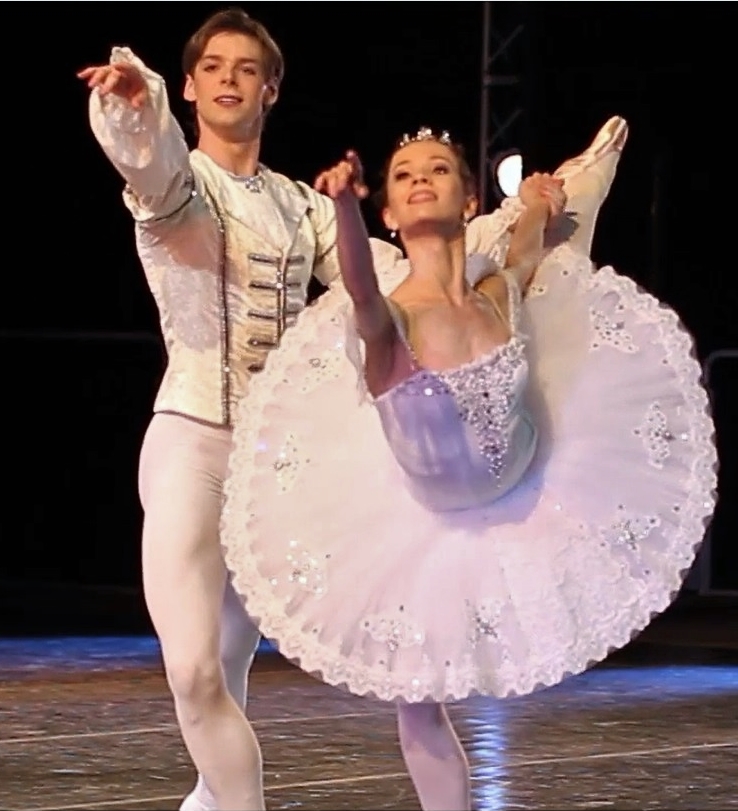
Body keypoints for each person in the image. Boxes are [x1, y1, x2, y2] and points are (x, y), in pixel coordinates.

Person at [219, 122, 717, 811]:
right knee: (418, 696)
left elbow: (520, 256)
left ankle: (584, 174)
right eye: (404, 174)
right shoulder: (391, 319)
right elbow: (361, 294)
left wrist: (542, 201)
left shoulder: (497, 295)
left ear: (469, 198)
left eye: (438, 169)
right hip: (423, 519)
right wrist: (342, 208)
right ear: (388, 212)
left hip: (529, 482)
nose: (422, 177)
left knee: (561, 258)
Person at [76, 7, 362, 810]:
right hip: (192, 446)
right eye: (215, 67)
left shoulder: (303, 205)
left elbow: (382, 281)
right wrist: (139, 105)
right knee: (194, 672)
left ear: (271, 88)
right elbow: (155, 165)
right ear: (193, 84)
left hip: (271, 466)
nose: (230, 79)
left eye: (247, 68)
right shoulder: (180, 183)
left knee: (229, 678)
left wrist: (469, 253)